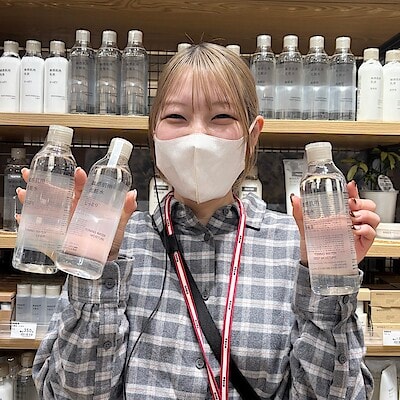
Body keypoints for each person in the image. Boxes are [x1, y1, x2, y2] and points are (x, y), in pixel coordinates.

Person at [28, 42, 379, 399]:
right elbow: (69, 394)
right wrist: (96, 265)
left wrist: (329, 277)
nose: (197, 137)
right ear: (153, 134)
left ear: (252, 135)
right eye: (176, 117)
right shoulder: (116, 243)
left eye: (221, 117)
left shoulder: (296, 248)